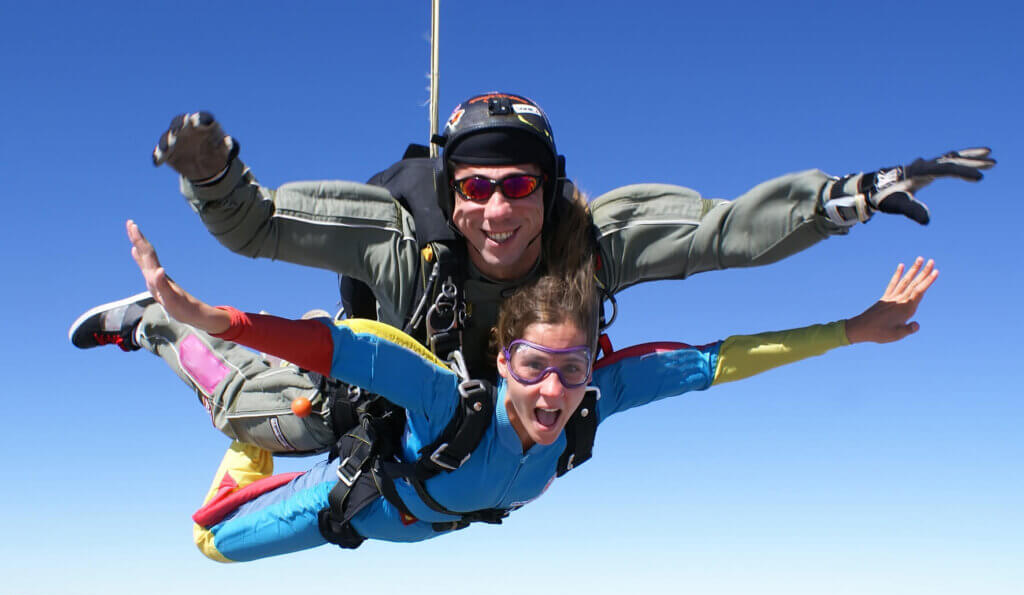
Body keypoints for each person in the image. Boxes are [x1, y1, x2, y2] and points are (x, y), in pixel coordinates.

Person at [71, 93, 991, 458]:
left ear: (548, 189)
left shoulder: (591, 242)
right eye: (475, 187)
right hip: (392, 382)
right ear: (451, 191)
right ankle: (155, 331)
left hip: (500, 404)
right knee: (259, 417)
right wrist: (212, 173)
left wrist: (848, 197)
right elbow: (260, 227)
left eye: (519, 185)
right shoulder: (399, 239)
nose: (497, 210)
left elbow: (724, 235)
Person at [128, 219, 938, 561]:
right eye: (532, 368)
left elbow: (720, 359)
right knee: (210, 544)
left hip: (410, 522)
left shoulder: (594, 403)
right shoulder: (455, 404)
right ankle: (177, 346)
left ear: (594, 366)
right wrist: (217, 316)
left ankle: (244, 413)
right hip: (357, 502)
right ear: (501, 361)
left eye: (573, 369)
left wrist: (851, 330)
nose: (553, 391)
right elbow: (355, 349)